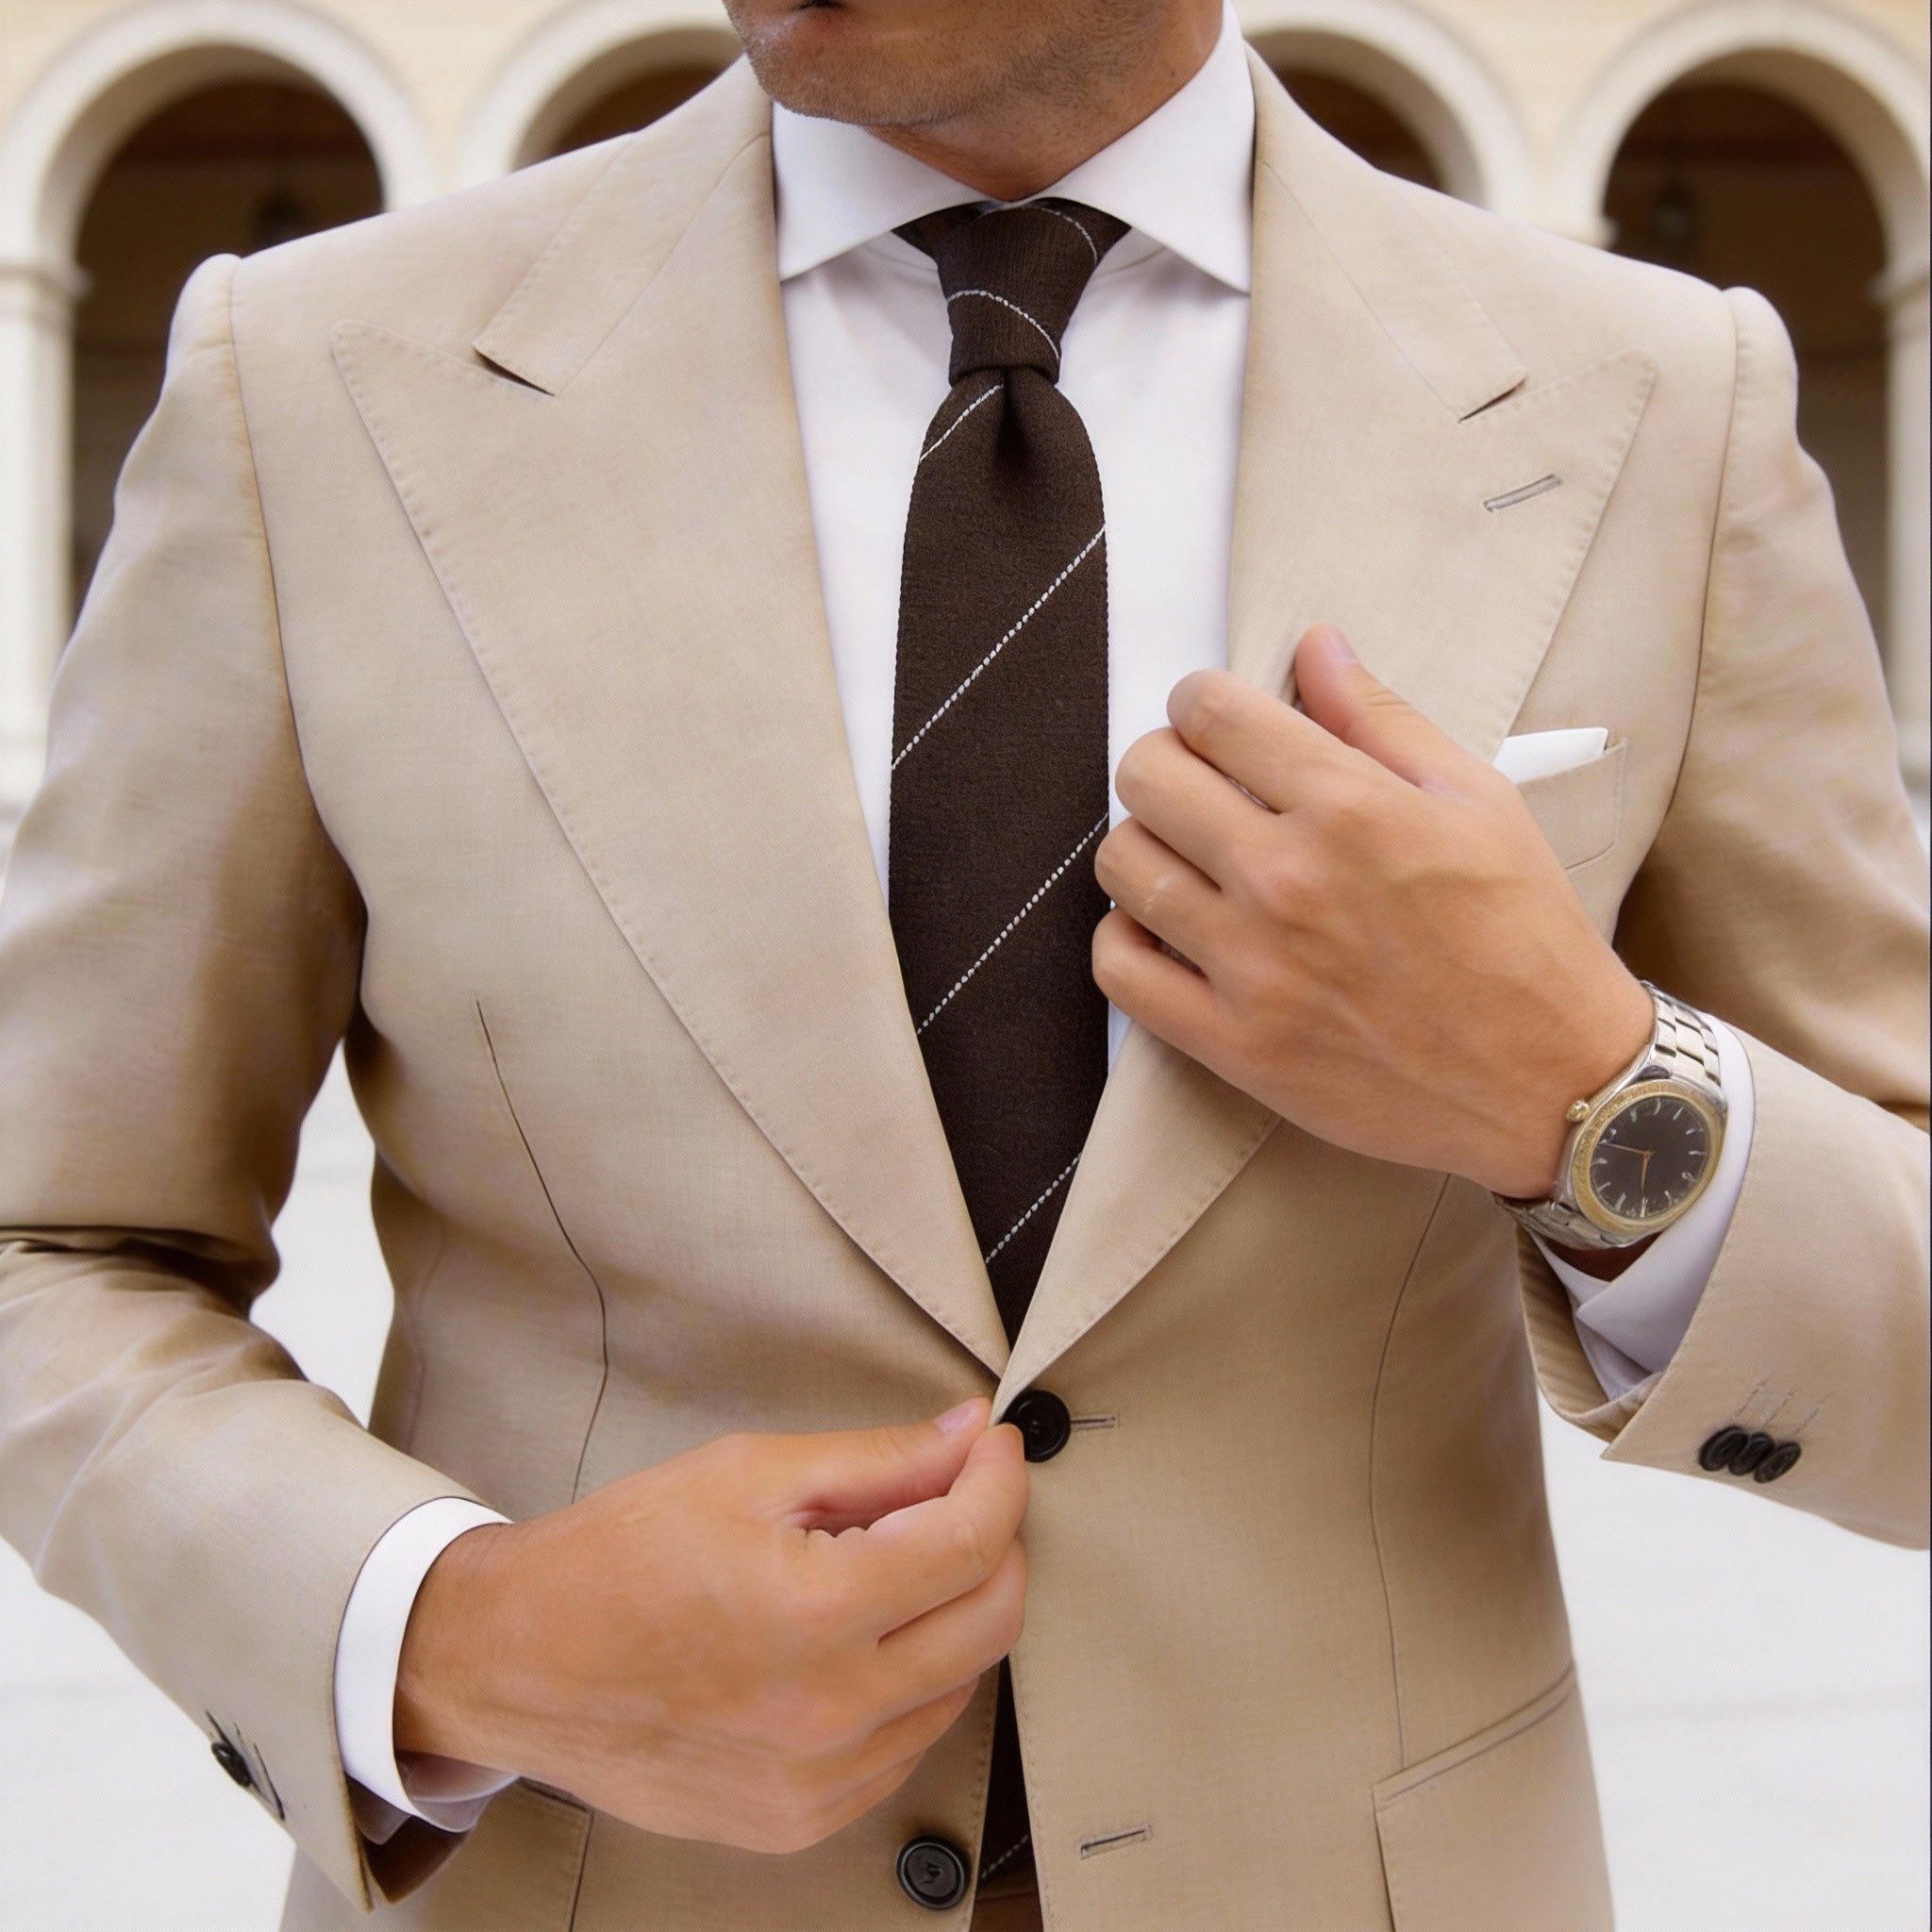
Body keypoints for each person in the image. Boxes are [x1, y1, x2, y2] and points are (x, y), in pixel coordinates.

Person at [0, 0, 1924, 1926]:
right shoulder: (320, 381)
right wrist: (451, 1631)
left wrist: (1591, 1094)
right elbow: (51, 1241)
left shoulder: (1658, 401)